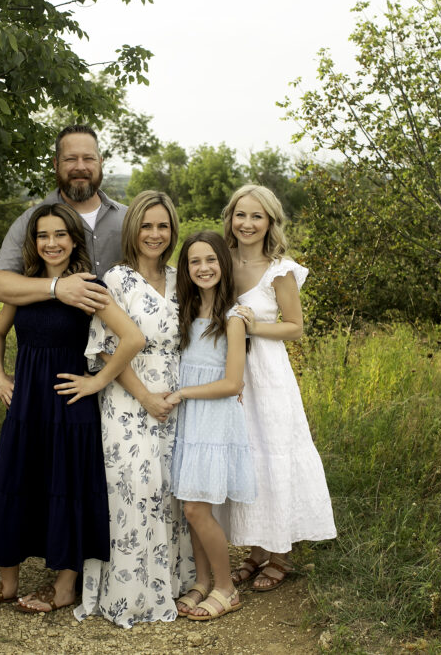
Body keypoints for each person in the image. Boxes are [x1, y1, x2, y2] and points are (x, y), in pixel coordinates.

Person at [0, 203, 145, 614]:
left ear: (73, 240)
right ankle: (7, 583)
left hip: (70, 407)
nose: (52, 243)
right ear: (34, 242)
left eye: (60, 235)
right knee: (15, 482)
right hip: (26, 403)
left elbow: (131, 338)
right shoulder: (23, 286)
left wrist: (97, 382)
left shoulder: (88, 286)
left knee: (67, 488)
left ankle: (65, 587)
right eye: (43, 235)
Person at [74, 191, 195, 628]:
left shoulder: (183, 280)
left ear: (173, 231)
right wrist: (144, 397)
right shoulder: (116, 281)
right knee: (132, 493)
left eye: (163, 226)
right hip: (128, 401)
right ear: (132, 230)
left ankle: (170, 585)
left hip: (177, 402)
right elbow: (105, 350)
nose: (155, 234)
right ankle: (126, 595)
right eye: (146, 225)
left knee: (169, 494)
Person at [216, 184, 337, 593]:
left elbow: (296, 327)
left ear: (269, 222)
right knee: (247, 459)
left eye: (257, 216)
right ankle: (253, 552)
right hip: (230, 374)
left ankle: (280, 555)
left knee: (274, 456)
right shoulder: (221, 260)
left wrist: (254, 327)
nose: (247, 223)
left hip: (267, 375)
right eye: (241, 215)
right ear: (231, 218)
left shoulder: (280, 268)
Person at [163, 231, 254, 621]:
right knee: (191, 507)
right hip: (190, 423)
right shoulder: (184, 311)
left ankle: (226, 587)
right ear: (185, 268)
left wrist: (182, 394)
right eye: (194, 261)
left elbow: (233, 383)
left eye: (211, 260)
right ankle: (201, 582)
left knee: (198, 509)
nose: (203, 268)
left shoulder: (232, 318)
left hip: (213, 420)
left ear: (223, 263)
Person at [0, 124, 126, 314]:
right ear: (56, 163)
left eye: (88, 158)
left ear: (100, 161)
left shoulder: (129, 218)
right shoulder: (32, 220)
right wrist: (56, 287)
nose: (80, 166)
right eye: (70, 159)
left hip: (124, 340)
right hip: (58, 340)